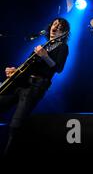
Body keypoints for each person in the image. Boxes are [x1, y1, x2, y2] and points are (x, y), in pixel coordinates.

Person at [0, 18, 70, 153]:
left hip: (35, 87)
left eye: (60, 26)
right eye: (54, 24)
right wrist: (14, 72)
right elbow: (27, 67)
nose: (55, 27)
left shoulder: (63, 47)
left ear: (64, 32)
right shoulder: (43, 46)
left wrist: (45, 56)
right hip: (21, 83)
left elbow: (58, 68)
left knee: (15, 125)